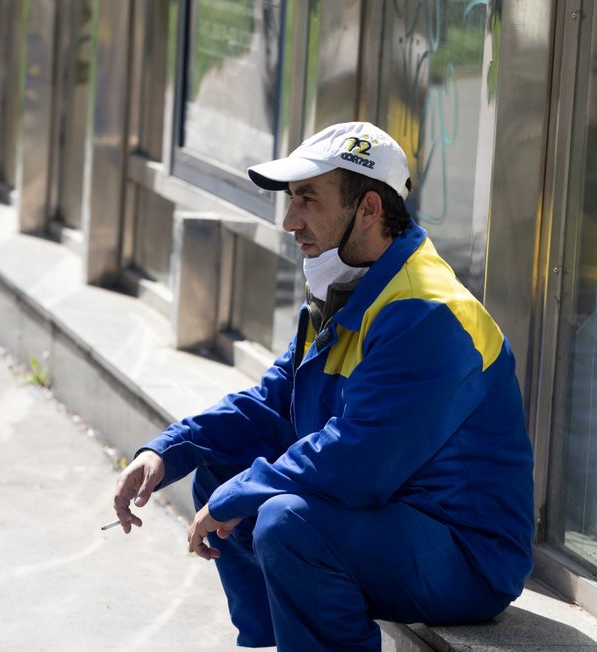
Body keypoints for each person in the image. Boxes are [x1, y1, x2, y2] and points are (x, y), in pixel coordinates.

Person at [113, 122, 535, 651]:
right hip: (395, 515)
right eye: (292, 200)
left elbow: (359, 461)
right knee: (222, 465)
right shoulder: (348, 286)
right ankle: (274, 642)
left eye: (307, 199)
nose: (291, 221)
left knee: (287, 524)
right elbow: (272, 403)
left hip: (465, 550)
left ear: (370, 210)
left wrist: (239, 495)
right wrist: (165, 451)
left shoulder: (429, 313)